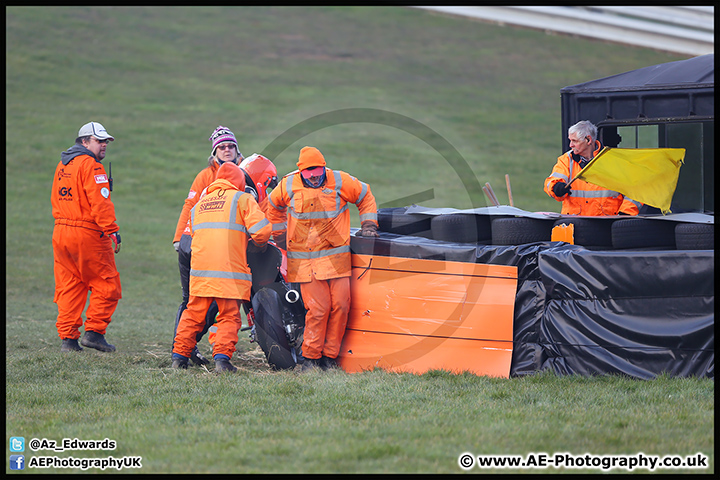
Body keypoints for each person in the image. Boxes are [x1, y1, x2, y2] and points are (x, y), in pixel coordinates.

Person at [171, 126, 278, 366]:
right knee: (229, 316)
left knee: (193, 313)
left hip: (200, 270)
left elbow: (191, 225)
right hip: (230, 271)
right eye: (222, 146)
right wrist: (260, 243)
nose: (227, 150)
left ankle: (178, 356)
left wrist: (179, 240)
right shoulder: (243, 198)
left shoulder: (202, 203)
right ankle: (222, 359)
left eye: (230, 146)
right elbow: (261, 231)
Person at [267, 146, 379, 372]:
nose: (315, 177)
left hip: (335, 260)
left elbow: (365, 197)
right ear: (301, 172)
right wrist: (279, 236)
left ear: (324, 166)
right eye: (310, 174)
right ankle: (310, 358)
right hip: (305, 261)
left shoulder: (340, 180)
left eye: (318, 172)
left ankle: (329, 358)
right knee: (319, 309)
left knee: (341, 306)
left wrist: (369, 225)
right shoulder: (288, 185)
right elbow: (273, 206)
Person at [51, 121, 121, 353]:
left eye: (105, 141)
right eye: (99, 141)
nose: (104, 145)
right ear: (84, 142)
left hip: (61, 232)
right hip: (87, 233)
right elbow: (99, 201)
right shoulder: (92, 166)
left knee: (70, 285)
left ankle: (68, 339)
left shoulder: (63, 165)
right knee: (107, 283)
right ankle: (94, 333)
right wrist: (111, 230)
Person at [544, 120, 640, 216]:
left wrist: (625, 214)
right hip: (574, 224)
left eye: (574, 141)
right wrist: (556, 187)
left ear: (588, 140)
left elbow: (636, 190)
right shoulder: (566, 160)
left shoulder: (614, 161)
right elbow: (551, 182)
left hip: (607, 223)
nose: (570, 145)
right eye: (570, 140)